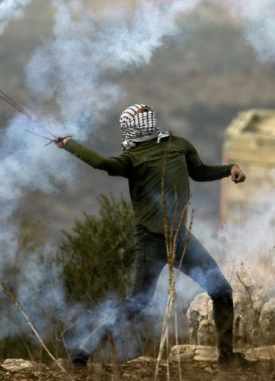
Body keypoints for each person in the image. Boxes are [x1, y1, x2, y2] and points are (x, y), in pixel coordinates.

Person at [55, 104, 249, 367]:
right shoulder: (159, 150)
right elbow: (199, 172)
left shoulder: (153, 152)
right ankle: (83, 348)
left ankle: (227, 360)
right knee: (143, 300)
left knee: (217, 292)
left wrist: (69, 144)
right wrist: (229, 169)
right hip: (156, 240)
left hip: (175, 238)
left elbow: (198, 170)